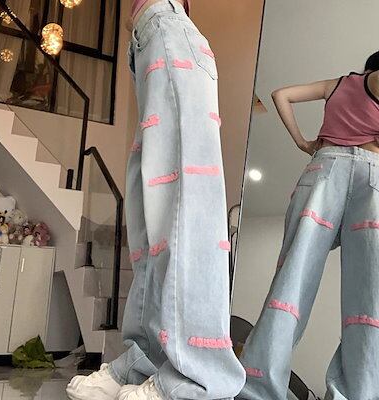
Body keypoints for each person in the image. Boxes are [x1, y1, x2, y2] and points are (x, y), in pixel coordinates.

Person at [66, 1, 246, 400]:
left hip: (167, 27)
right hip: (147, 36)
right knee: (150, 225)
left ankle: (199, 376)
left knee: (185, 211)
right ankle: (144, 360)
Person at [237, 52, 379, 400]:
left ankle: (256, 389)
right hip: (372, 176)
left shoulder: (338, 84)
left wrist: (302, 141)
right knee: (369, 298)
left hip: (324, 168)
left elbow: (281, 95)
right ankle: (357, 394)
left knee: (291, 281)